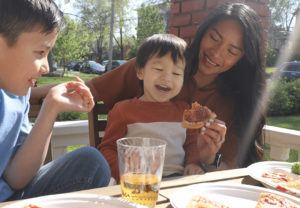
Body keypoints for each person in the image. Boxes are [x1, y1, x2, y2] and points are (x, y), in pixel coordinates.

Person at [87, 3, 266, 169]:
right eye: (214, 37)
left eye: (232, 51)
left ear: (242, 59)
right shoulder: (158, 65)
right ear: (202, 32)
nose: (217, 53)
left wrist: (206, 158)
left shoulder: (236, 102)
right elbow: (88, 91)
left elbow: (229, 169)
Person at [0, 0, 110, 202]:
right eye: (40, 53)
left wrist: (52, 107)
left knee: (91, 162)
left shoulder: (18, 93)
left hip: (12, 200)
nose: (46, 67)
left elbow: (15, 178)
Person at [98, 34, 226, 182]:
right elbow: (108, 149)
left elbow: (191, 145)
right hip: (138, 183)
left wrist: (193, 163)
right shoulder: (123, 110)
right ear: (140, 72)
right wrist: (124, 172)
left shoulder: (184, 112)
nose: (167, 78)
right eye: (159, 69)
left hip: (176, 181)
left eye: (177, 73)